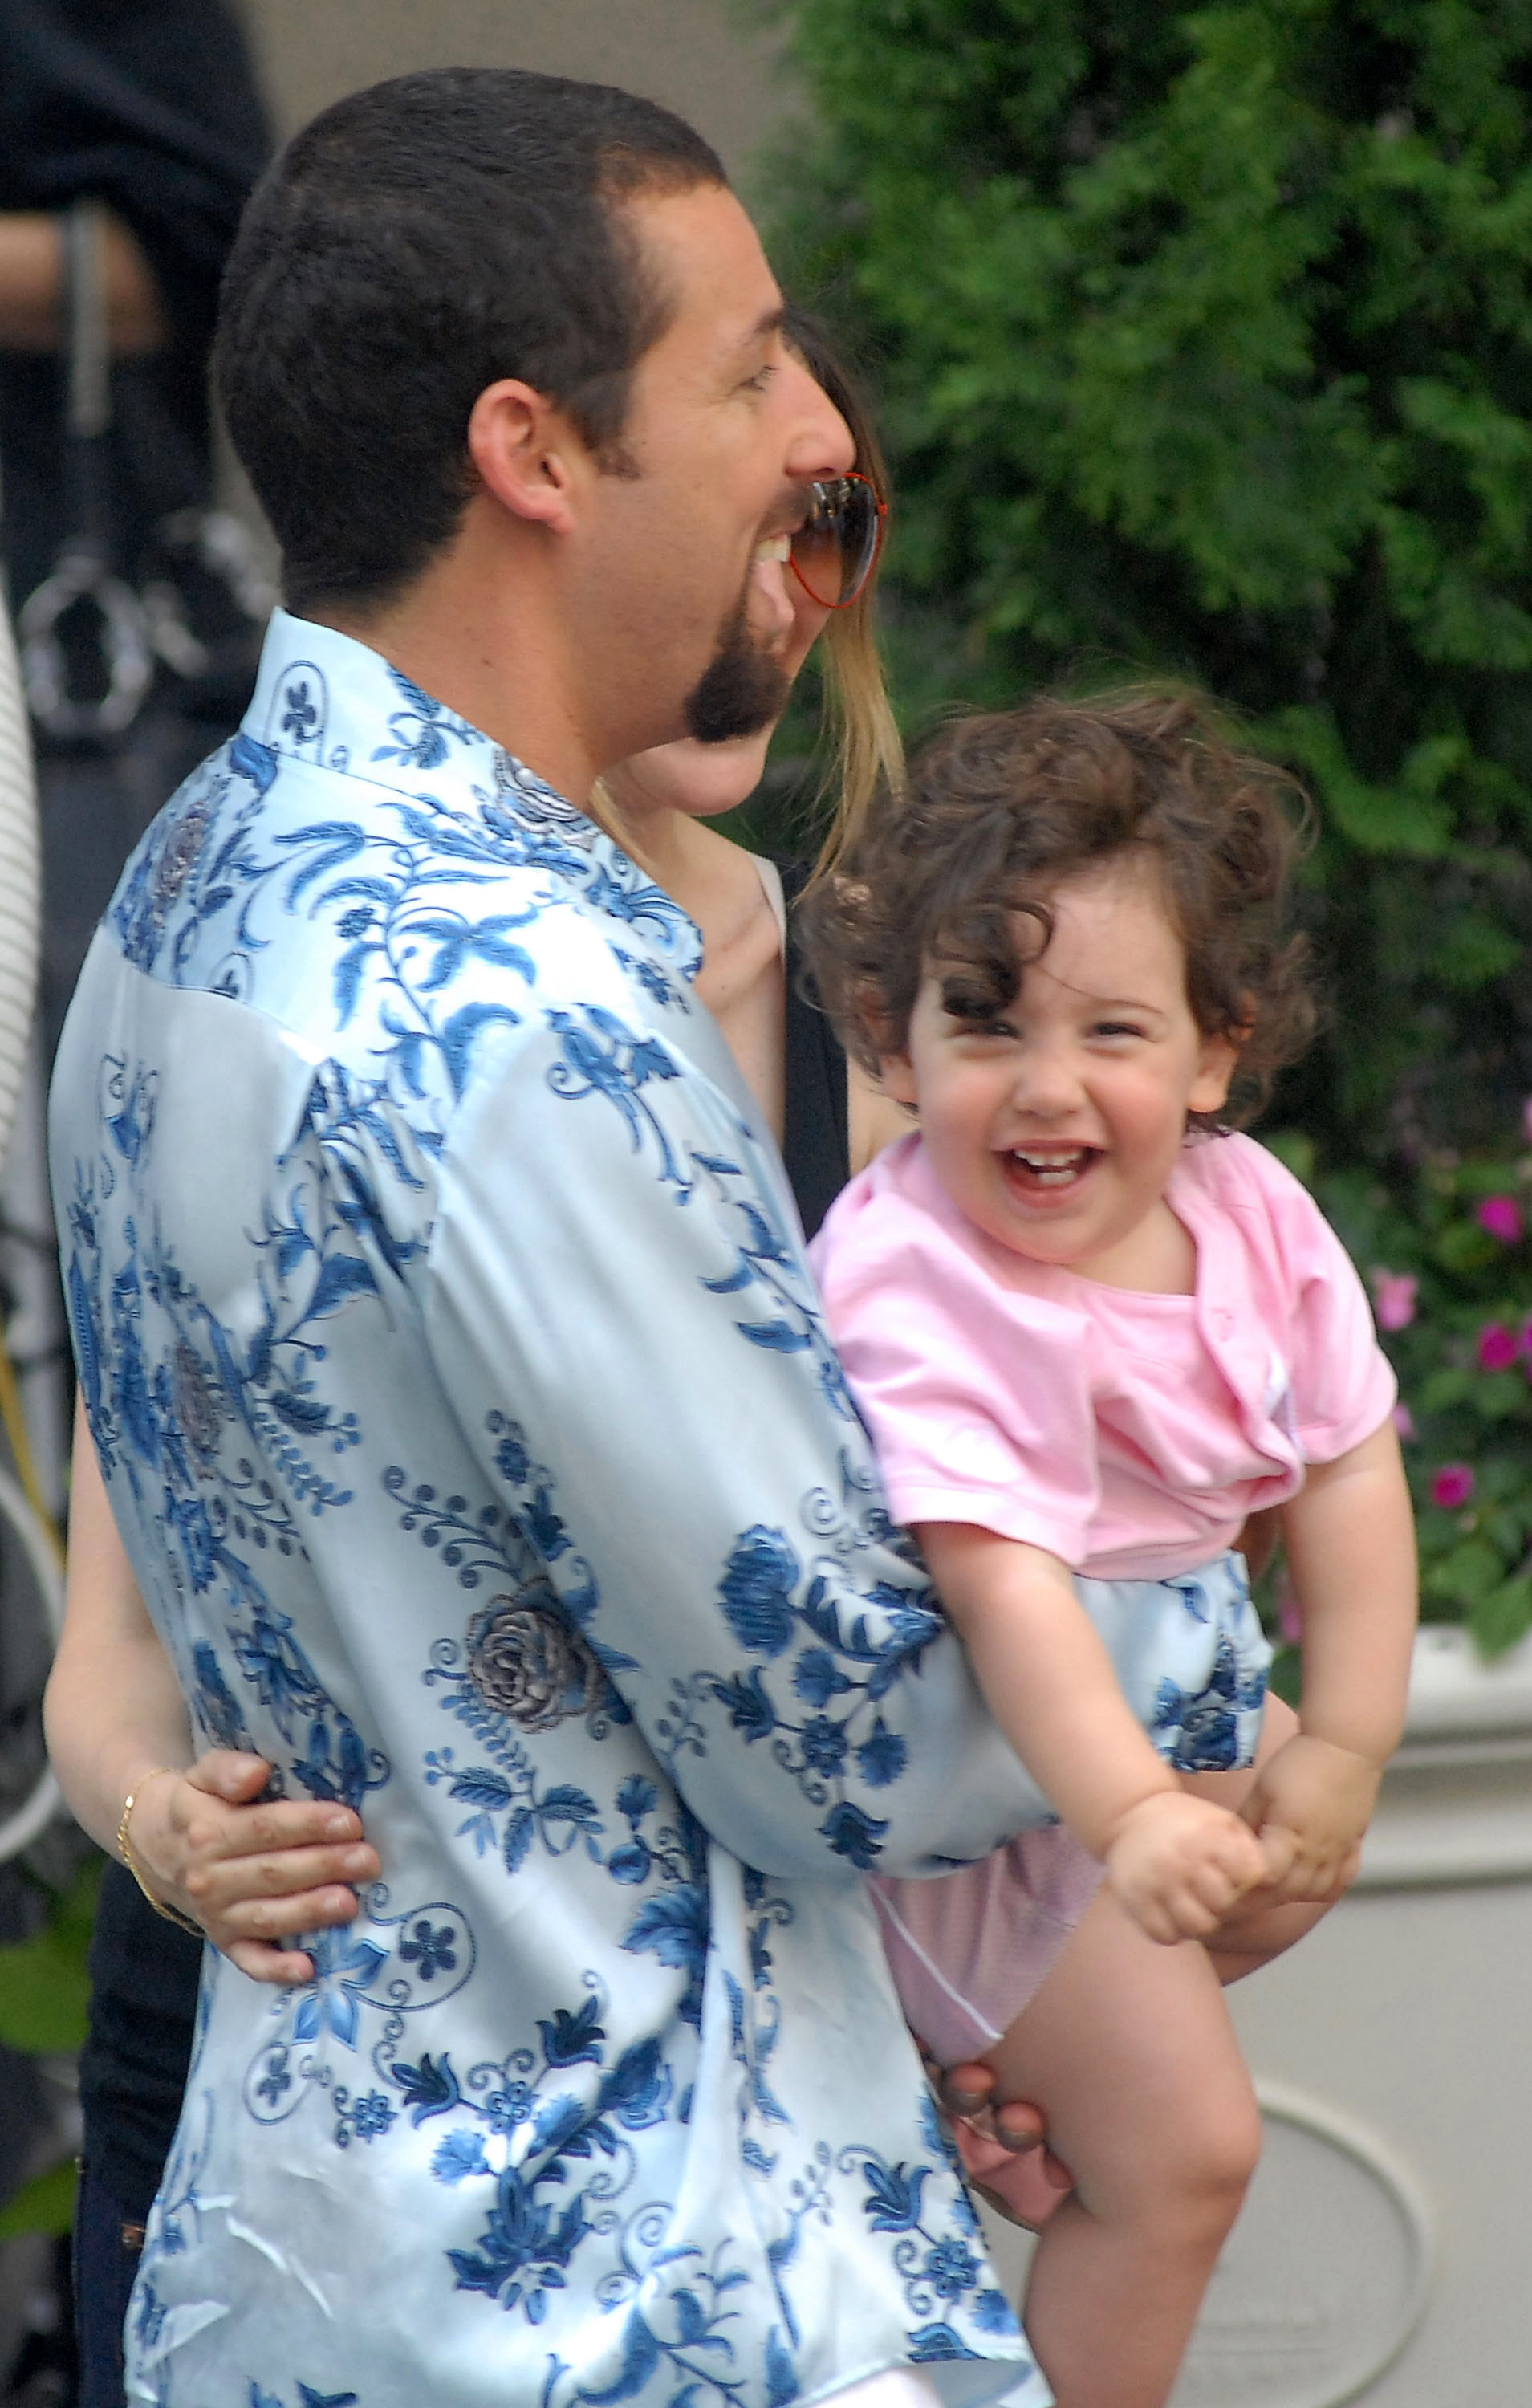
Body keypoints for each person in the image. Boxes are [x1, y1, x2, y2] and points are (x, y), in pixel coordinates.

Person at [47, 67, 1068, 2408]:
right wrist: (1200, 1641)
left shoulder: (186, 883)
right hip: (632, 2302)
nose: (812, 434)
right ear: (531, 452)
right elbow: (844, 1738)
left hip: (300, 2274)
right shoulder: (521, 998)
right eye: (746, 370)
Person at [802, 692, 1419, 2408]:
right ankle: (967, 2052)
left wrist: (1349, 1745)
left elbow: (1347, 1467)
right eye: (984, 1023)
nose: (1045, 1086)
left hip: (1161, 1714)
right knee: (1187, 2160)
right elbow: (1003, 1588)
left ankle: (972, 2070)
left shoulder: (1244, 1205)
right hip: (1001, 1795)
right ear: (893, 1038)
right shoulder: (921, 1276)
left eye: (1114, 1033)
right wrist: (1135, 1813)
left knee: (1288, 1863)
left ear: (1215, 1053)